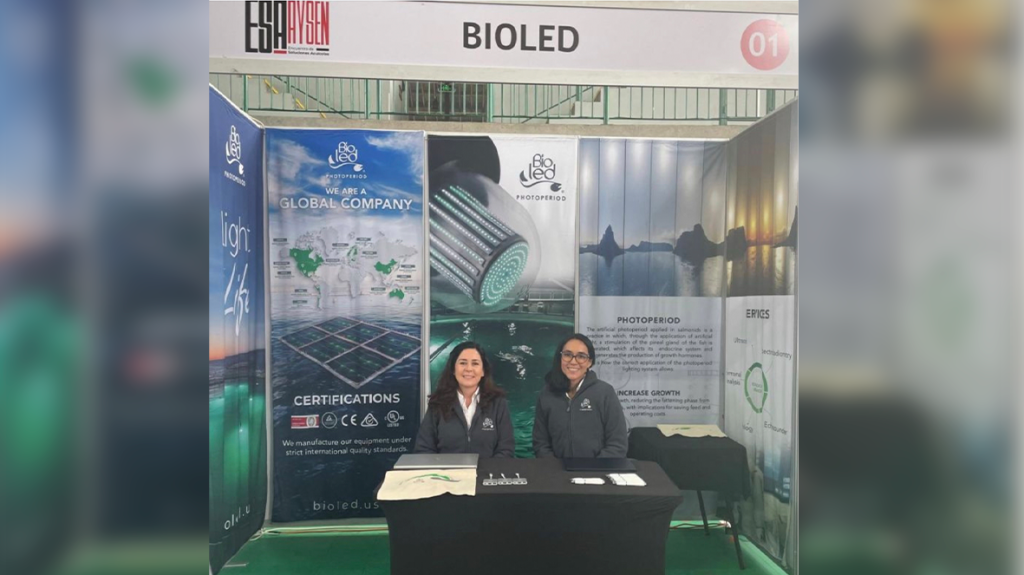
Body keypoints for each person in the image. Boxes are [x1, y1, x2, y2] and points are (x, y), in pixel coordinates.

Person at [533, 333, 628, 458]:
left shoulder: (605, 393)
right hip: (556, 468)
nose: (573, 361)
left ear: (589, 362)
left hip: (598, 468)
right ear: (560, 358)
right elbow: (540, 443)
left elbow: (617, 445)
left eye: (581, 356)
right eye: (567, 355)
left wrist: (594, 467)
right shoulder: (547, 394)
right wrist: (553, 466)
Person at [414, 342, 515, 457]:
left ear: (483, 371)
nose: (469, 369)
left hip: (488, 469)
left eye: (475, 363)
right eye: (463, 363)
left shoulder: (498, 403)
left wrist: (487, 468)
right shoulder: (438, 403)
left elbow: (506, 449)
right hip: (447, 469)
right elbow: (424, 449)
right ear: (453, 369)